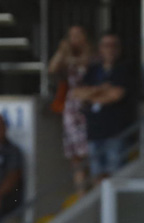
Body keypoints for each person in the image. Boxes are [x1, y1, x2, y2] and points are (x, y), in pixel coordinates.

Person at [71, 33, 133, 182]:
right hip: (94, 131)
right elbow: (76, 93)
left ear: (120, 49)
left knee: (115, 177)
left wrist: (91, 94)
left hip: (116, 133)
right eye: (106, 45)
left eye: (114, 45)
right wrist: (101, 89)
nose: (110, 49)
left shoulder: (125, 68)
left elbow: (116, 95)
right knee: (96, 176)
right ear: (100, 49)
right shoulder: (93, 70)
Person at [47, 24, 91, 194]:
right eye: (72, 36)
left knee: (88, 152)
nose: (76, 39)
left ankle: (91, 189)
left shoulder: (90, 55)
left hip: (87, 105)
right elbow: (52, 68)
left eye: (79, 35)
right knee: (75, 157)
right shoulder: (67, 57)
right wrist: (62, 50)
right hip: (71, 108)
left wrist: (69, 56)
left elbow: (85, 62)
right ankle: (80, 192)